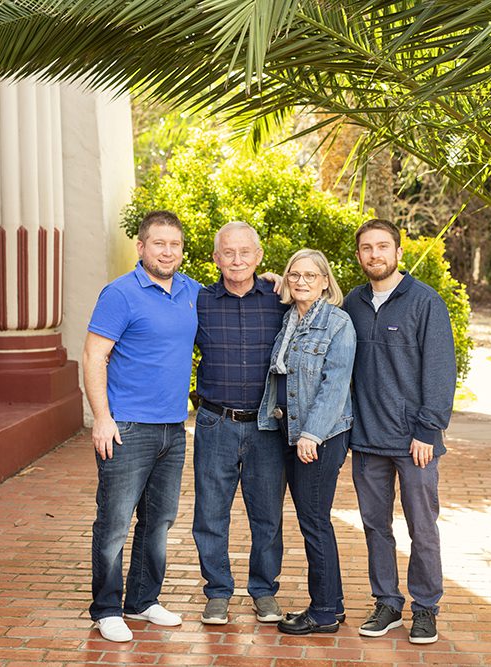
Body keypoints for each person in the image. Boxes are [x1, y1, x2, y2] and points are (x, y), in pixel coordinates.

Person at [82, 210, 201, 643]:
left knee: (159, 520)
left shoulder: (191, 292)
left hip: (173, 427)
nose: (167, 251)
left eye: (175, 244)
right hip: (127, 427)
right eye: (159, 243)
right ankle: (107, 608)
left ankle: (143, 600)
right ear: (142, 247)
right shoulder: (120, 293)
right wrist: (102, 418)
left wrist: (270, 282)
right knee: (113, 521)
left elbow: (234, 300)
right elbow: (94, 355)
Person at [342, 219, 456, 645]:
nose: (375, 255)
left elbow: (441, 372)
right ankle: (387, 602)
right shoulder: (351, 303)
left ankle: (425, 609)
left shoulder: (426, 302)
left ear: (398, 253)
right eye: (367, 248)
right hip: (367, 441)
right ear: (359, 256)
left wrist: (428, 430)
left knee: (421, 528)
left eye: (383, 247)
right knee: (375, 527)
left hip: (415, 444)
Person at [193, 222, 288, 625]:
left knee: (267, 515)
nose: (237, 260)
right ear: (215, 258)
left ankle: (264, 590)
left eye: (245, 252)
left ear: (259, 256)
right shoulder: (197, 301)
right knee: (211, 512)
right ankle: (217, 592)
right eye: (228, 253)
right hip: (216, 423)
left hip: (267, 425)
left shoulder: (280, 299)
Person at [257, 249, 356, 635]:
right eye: (294, 275)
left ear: (326, 282)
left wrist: (311, 435)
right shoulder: (290, 319)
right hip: (287, 431)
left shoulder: (337, 322)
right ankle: (335, 602)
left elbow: (335, 385)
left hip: (320, 436)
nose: (301, 281)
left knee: (314, 521)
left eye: (311, 276)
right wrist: (270, 280)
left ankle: (324, 612)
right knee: (313, 520)